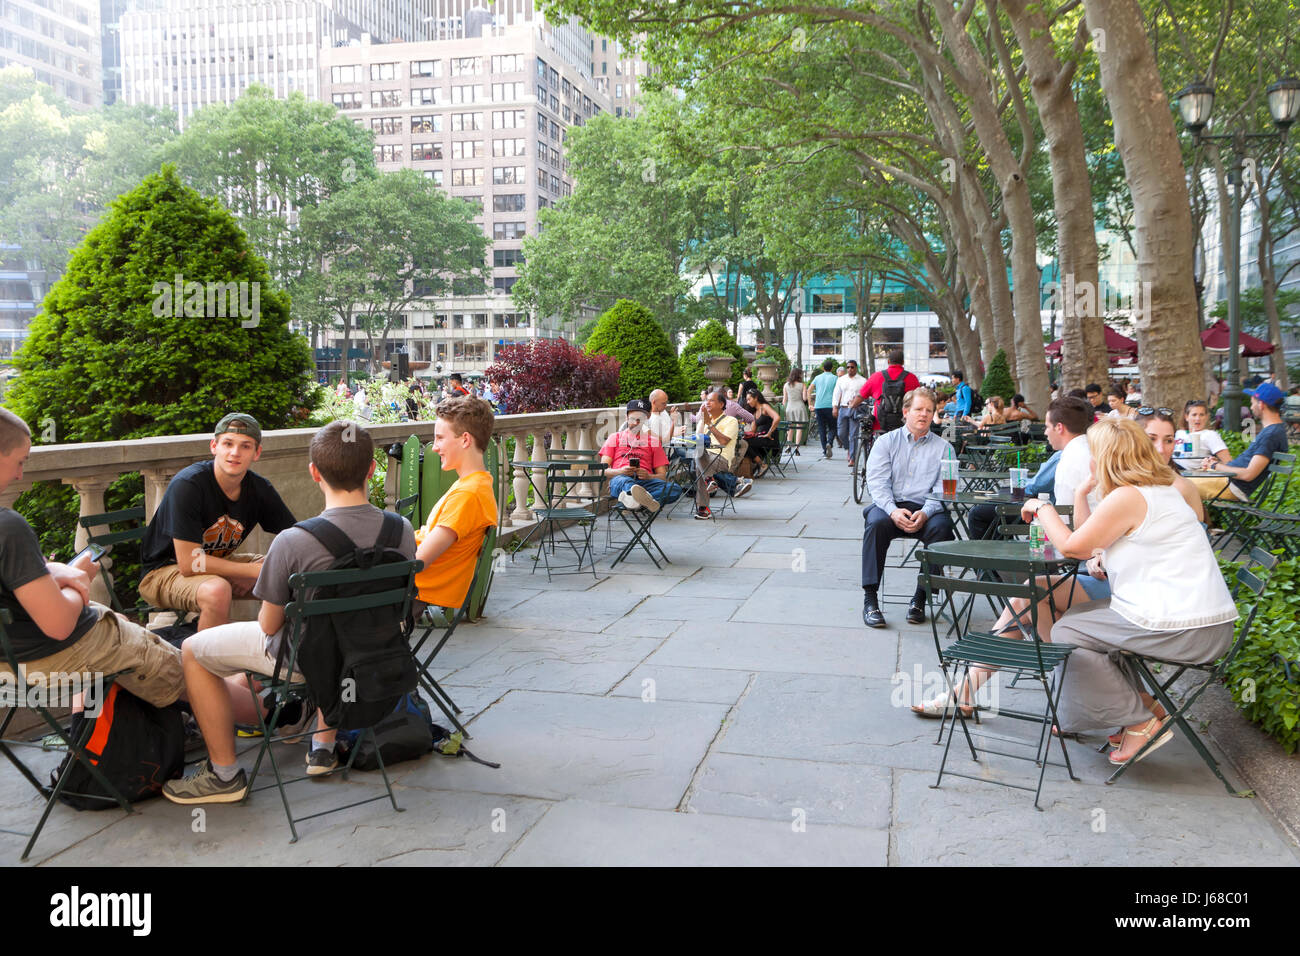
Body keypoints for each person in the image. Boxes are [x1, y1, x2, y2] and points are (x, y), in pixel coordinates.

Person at [917, 419, 1238, 769]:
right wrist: (1092, 517)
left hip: (1185, 629)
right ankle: (1129, 704)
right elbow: (1098, 542)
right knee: (1039, 591)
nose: (1089, 461)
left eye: (1093, 454)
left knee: (1067, 631)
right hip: (1181, 616)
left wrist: (1042, 509)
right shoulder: (1150, 491)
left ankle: (1138, 719)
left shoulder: (1131, 496)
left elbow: (1072, 547)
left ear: (1107, 457)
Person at [162, 420, 418, 804]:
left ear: (314, 472)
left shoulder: (294, 541)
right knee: (339, 633)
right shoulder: (401, 529)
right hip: (373, 652)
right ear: (372, 470)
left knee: (194, 651)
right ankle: (322, 748)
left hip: (303, 658)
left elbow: (268, 625)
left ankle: (224, 776)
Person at [0, 409, 185, 710]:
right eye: (19, 462)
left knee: (119, 623)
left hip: (9, 668)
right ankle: (265, 716)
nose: (21, 474)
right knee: (188, 674)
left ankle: (92, 744)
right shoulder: (8, 527)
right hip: (46, 662)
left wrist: (54, 571)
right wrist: (79, 579)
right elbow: (59, 626)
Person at [138, 414, 297, 631]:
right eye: (228, 443)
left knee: (293, 577)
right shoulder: (189, 485)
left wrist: (266, 568)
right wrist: (251, 572)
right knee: (217, 591)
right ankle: (205, 662)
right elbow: (189, 563)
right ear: (214, 446)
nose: (235, 453)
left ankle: (277, 654)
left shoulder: (259, 489)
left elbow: (295, 539)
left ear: (257, 453)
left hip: (215, 563)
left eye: (245, 446)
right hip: (164, 571)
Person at [860, 387, 956, 629]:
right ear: (906, 412)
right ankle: (870, 600)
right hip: (889, 505)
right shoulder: (885, 442)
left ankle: (920, 598)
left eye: (929, 410)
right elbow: (877, 484)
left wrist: (926, 512)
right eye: (918, 409)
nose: (923, 415)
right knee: (876, 523)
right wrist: (892, 510)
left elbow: (947, 491)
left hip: (926, 506)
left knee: (943, 527)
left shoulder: (945, 449)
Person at [413, 395, 499, 611]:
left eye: (440, 438)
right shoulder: (475, 485)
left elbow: (419, 561)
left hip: (413, 593)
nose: (434, 447)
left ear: (465, 440)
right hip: (414, 590)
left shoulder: (468, 495)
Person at [1194, 382, 1290, 502]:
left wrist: (1215, 466)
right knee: (1179, 480)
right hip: (1227, 481)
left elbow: (1248, 474)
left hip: (1231, 486)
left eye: (1252, 403)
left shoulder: (1271, 435)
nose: (1251, 407)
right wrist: (1219, 465)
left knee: (1180, 486)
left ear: (1261, 405)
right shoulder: (1273, 431)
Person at [599, 399, 690, 509]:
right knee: (624, 481)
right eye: (633, 419)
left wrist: (648, 476)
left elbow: (662, 476)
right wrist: (621, 471)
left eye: (640, 419)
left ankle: (634, 501)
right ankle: (641, 498)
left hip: (646, 482)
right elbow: (602, 471)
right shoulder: (614, 438)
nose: (637, 422)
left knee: (674, 489)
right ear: (626, 418)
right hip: (622, 479)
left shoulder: (654, 442)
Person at [1137, 407, 1204, 522]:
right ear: (1134, 440)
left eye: (1168, 440)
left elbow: (1199, 535)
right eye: (1152, 439)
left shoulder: (1183, 487)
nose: (1161, 449)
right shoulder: (1117, 481)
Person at [693, 388, 740, 519]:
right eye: (706, 401)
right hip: (705, 458)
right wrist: (703, 422)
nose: (707, 403)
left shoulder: (731, 420)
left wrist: (709, 424)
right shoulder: (703, 421)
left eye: (712, 401)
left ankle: (703, 506)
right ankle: (710, 481)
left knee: (699, 465)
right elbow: (698, 439)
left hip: (722, 459)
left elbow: (724, 441)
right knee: (699, 450)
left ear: (721, 404)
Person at [849, 348, 919, 435]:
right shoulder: (912, 378)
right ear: (903, 362)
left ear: (888, 361)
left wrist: (852, 404)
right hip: (904, 424)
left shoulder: (876, 376)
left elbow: (861, 396)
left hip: (881, 425)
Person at [740, 387, 781, 480]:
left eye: (749, 399)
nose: (747, 402)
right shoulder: (754, 412)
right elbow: (753, 431)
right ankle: (756, 465)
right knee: (742, 441)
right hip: (761, 438)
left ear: (756, 398)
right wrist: (742, 433)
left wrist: (769, 432)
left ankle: (761, 465)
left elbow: (777, 417)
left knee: (745, 443)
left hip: (770, 438)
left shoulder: (764, 407)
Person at [832, 359, 867, 467]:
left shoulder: (862, 380)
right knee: (841, 433)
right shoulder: (841, 380)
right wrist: (835, 407)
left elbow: (866, 395)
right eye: (848, 367)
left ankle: (852, 458)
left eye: (852, 367)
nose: (850, 369)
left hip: (856, 408)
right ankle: (848, 448)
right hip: (843, 407)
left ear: (856, 368)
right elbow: (836, 393)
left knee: (854, 435)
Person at [1176, 400, 1230, 465]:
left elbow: (1228, 461)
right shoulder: (1179, 433)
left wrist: (1214, 464)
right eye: (1194, 415)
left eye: (1201, 415)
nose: (1198, 418)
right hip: (1171, 470)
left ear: (1206, 417)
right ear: (1186, 417)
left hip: (1193, 473)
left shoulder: (1210, 435)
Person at [809, 358, 840, 458]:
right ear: (832, 368)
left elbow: (808, 390)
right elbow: (839, 392)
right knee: (833, 427)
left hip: (819, 406)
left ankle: (824, 451)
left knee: (821, 428)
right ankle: (829, 443)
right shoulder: (835, 378)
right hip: (831, 406)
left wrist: (810, 404)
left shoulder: (817, 378)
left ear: (823, 368)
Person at [782, 368, 809, 451]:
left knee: (789, 427)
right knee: (799, 428)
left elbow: (784, 400)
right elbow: (804, 398)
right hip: (799, 407)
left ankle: (789, 445)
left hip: (789, 408)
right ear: (799, 375)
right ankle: (797, 447)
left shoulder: (786, 385)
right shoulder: (802, 385)